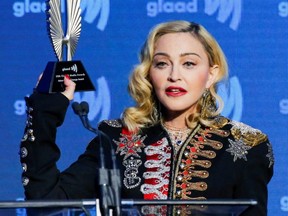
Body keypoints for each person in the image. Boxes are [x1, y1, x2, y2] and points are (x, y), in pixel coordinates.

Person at [20, 20, 274, 215]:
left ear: (210, 74)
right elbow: (47, 204)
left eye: (188, 63)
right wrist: (46, 110)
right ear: (149, 73)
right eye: (162, 63)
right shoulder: (116, 138)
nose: (174, 75)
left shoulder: (246, 145)